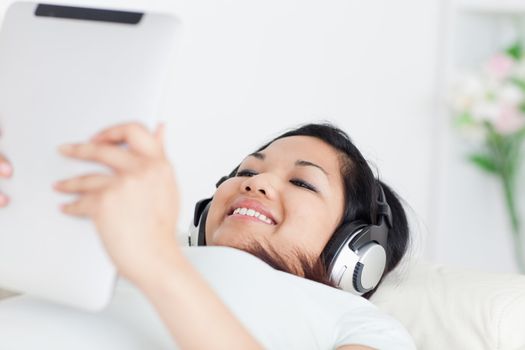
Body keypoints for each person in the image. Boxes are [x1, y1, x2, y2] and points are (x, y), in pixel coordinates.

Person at [0, 122, 415, 349]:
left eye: (303, 183)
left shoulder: (362, 323)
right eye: (247, 172)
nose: (256, 183)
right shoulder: (123, 247)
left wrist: (158, 263)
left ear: (357, 251)